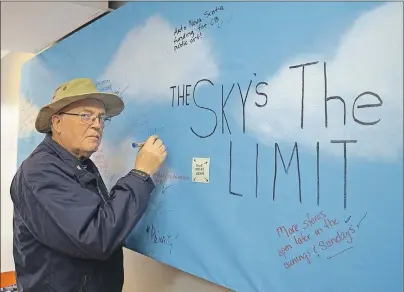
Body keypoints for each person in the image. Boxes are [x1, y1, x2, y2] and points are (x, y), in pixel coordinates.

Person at [10, 78, 167, 292]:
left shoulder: (80, 163)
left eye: (101, 118)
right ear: (56, 123)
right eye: (85, 116)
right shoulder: (41, 172)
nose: (97, 125)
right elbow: (95, 236)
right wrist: (141, 173)